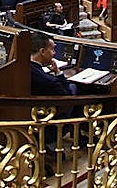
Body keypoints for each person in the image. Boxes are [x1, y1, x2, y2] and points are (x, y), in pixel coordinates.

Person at [28, 32, 78, 161]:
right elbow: (67, 99)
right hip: (45, 118)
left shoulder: (22, 67)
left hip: (28, 114)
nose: (54, 53)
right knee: (73, 89)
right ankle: (54, 140)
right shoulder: (47, 81)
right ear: (42, 51)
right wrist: (59, 73)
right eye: (52, 49)